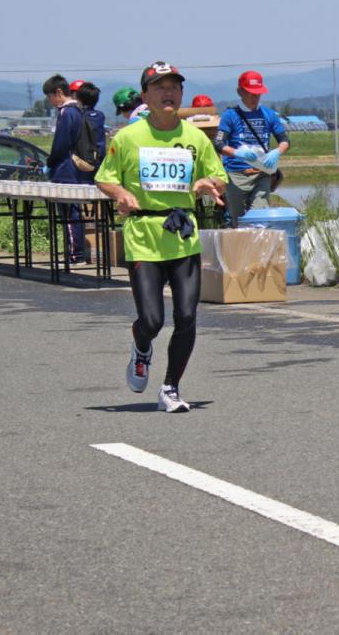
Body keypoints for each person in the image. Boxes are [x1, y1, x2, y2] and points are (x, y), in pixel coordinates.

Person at [95, 61, 227, 413]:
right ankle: (141, 347)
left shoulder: (195, 137)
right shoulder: (127, 138)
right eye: (160, 87)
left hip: (183, 235)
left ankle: (170, 387)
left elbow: (218, 178)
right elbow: (104, 178)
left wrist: (206, 184)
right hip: (143, 235)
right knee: (152, 321)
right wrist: (120, 194)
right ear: (145, 96)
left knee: (186, 316)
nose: (168, 92)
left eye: (174, 87)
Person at [215, 70, 290, 226]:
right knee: (238, 221)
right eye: (250, 93)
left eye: (258, 94)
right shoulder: (230, 115)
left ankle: (259, 248)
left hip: (261, 174)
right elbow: (219, 143)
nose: (254, 97)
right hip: (236, 175)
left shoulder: (269, 115)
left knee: (259, 219)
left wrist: (277, 151)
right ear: (240, 92)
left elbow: (284, 140)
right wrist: (237, 153)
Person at [43, 74, 87, 263]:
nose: (50, 101)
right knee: (74, 211)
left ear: (59, 92)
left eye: (50, 96)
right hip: (76, 168)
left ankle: (74, 253)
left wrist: (50, 161)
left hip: (65, 168)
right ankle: (76, 251)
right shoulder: (78, 111)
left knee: (69, 214)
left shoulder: (66, 112)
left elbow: (61, 143)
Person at [73, 81, 106, 184]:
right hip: (98, 161)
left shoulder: (77, 115)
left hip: (81, 162)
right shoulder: (100, 116)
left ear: (78, 98)